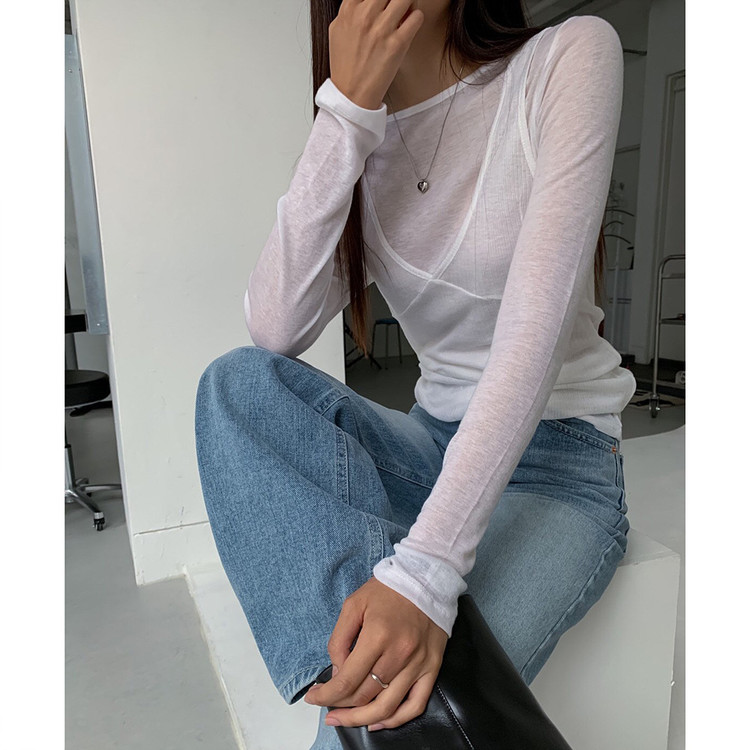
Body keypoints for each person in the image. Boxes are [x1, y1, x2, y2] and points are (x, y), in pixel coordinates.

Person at [194, 1, 638, 747]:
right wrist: (344, 113)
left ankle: (363, 710)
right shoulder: (364, 136)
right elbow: (274, 328)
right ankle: (359, 680)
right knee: (236, 387)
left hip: (562, 465)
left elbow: (530, 341)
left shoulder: (567, 57)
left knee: (373, 730)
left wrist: (423, 575)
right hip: (428, 450)